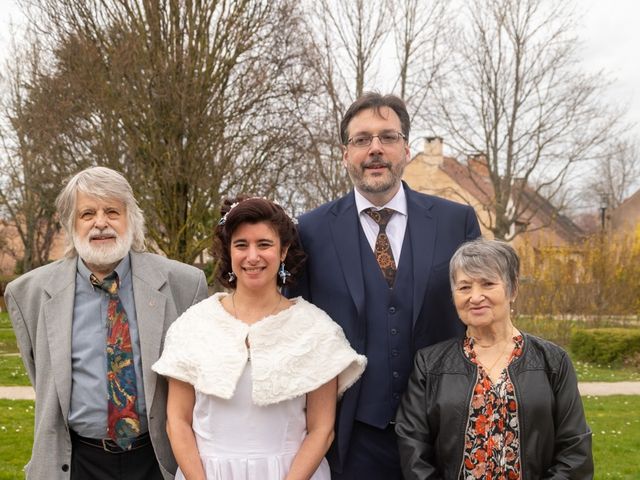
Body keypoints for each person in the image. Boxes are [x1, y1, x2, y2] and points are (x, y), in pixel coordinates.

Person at [286, 92, 482, 479]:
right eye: (362, 140)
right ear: (345, 154)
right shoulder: (310, 230)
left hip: (442, 431)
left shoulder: (456, 222)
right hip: (352, 437)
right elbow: (295, 329)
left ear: (406, 149)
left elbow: (482, 317)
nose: (375, 149)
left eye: (387, 137)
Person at [5, 166, 209, 480]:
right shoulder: (28, 293)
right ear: (71, 223)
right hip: (77, 462)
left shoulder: (184, 284)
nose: (101, 223)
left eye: (112, 211)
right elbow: (43, 377)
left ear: (131, 219)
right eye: (87, 213)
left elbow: (197, 380)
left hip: (159, 460)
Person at [152, 197, 366, 480]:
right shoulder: (193, 325)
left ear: (283, 250)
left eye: (264, 244)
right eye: (241, 245)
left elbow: (321, 429)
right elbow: (177, 421)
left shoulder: (316, 330)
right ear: (229, 252)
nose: (252, 256)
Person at [395, 238, 593, 479]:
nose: (475, 297)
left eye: (488, 284)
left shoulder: (553, 361)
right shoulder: (429, 364)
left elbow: (575, 449)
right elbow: (413, 448)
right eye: (464, 287)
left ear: (513, 289)